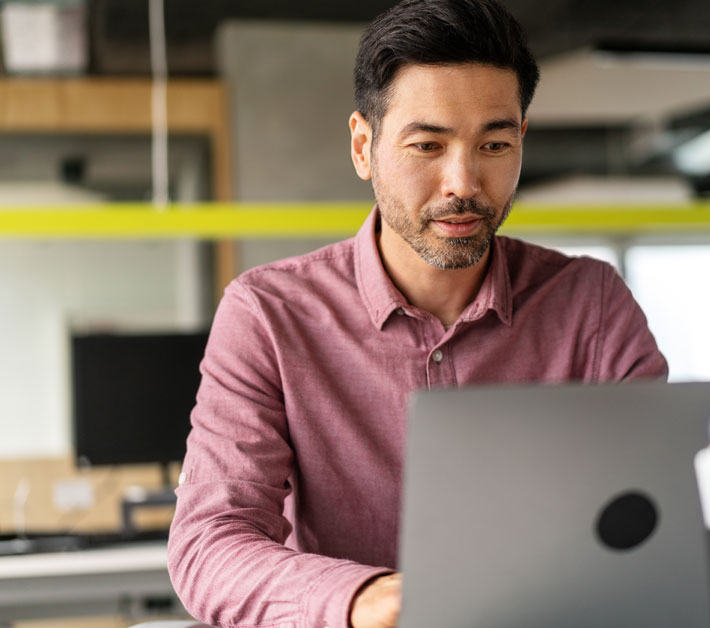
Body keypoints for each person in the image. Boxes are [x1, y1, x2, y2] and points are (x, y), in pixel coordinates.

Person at [167, 1, 668, 627]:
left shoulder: (590, 305)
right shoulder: (267, 316)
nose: (464, 182)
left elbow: (656, 522)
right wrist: (364, 600)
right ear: (362, 146)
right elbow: (210, 542)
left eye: (494, 143)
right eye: (428, 144)